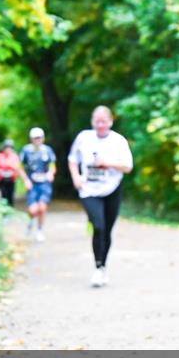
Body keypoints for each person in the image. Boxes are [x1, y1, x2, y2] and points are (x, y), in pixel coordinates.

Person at [67, 106, 133, 288]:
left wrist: (107, 163)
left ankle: (103, 266)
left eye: (103, 121)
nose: (100, 125)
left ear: (110, 122)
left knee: (107, 230)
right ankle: (97, 268)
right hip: (89, 189)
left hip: (112, 189)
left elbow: (128, 167)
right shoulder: (84, 138)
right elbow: (72, 159)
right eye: (97, 121)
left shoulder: (118, 141)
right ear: (92, 121)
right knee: (99, 226)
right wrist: (76, 177)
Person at [20, 127, 57, 242]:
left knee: (42, 207)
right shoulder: (26, 150)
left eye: (39, 138)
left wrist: (51, 173)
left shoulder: (47, 150)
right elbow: (19, 166)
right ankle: (30, 221)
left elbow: (52, 165)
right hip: (32, 183)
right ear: (31, 139)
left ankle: (40, 230)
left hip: (44, 183)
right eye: (35, 138)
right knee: (33, 210)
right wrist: (26, 180)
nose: (37, 140)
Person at [0, 139, 22, 207]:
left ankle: (10, 208)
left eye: (10, 148)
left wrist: (11, 168)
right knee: (3, 195)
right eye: (6, 147)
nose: (8, 149)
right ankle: (4, 209)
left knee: (10, 195)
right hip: (2, 179)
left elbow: (17, 167)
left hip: (11, 179)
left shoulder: (14, 156)